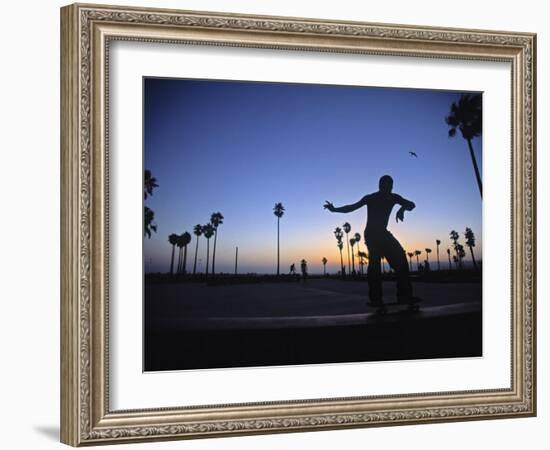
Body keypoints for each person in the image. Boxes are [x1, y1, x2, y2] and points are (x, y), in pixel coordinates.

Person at [324, 175, 415, 305]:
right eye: (385, 186)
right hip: (371, 234)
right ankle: (376, 298)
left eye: (389, 186)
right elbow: (351, 207)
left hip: (383, 233)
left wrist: (402, 208)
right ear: (380, 186)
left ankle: (404, 295)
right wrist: (334, 209)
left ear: (391, 187)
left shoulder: (393, 197)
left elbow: (412, 205)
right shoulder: (371, 198)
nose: (387, 189)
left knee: (400, 258)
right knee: (374, 264)